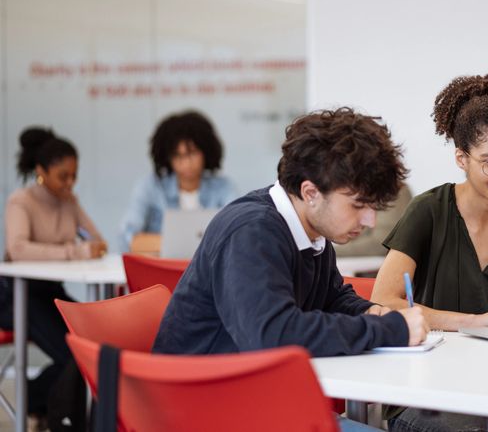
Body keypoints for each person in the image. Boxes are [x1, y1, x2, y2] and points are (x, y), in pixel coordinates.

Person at [152, 108, 427, 429]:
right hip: (203, 408)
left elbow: (331, 297)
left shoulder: (310, 230)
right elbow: (273, 335)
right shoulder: (252, 232)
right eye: (358, 205)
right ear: (310, 192)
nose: (370, 221)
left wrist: (371, 312)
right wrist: (389, 330)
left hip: (251, 396)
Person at [370, 74, 488, 432]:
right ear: (462, 158)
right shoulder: (428, 211)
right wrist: (473, 322)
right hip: (429, 392)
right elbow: (384, 301)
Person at [2, 127, 105, 427]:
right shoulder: (21, 201)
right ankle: (35, 401)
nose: (70, 183)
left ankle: (39, 404)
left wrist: (87, 245)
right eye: (63, 176)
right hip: (18, 296)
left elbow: (94, 239)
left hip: (50, 293)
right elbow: (17, 248)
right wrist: (73, 251)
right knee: (73, 352)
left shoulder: (69, 201)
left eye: (74, 175)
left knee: (87, 346)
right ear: (41, 171)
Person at [119, 110, 236, 251]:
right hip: (164, 269)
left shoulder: (223, 188)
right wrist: (183, 244)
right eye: (177, 155)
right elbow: (127, 236)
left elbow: (237, 234)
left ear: (206, 151)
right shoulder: (150, 187)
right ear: (167, 157)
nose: (186, 163)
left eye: (192, 153)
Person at [333, 182, 413, 258]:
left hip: (381, 268)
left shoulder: (394, 190)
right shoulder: (359, 188)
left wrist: (333, 252)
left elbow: (381, 244)